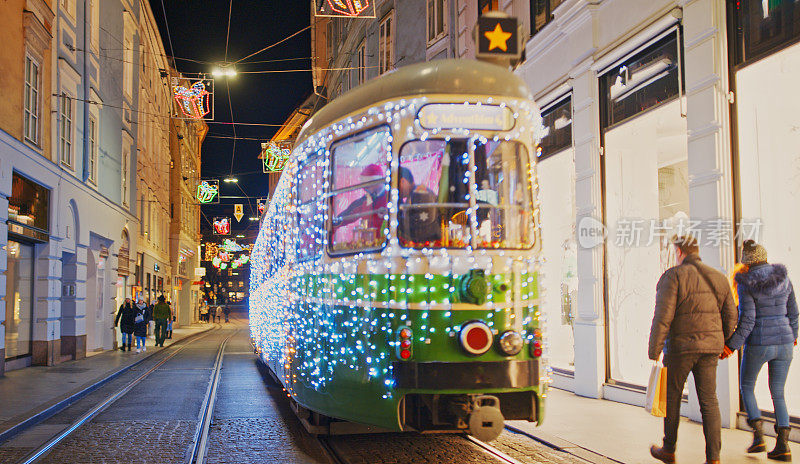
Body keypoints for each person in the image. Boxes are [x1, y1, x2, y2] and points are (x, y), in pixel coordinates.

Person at [648, 236, 738, 464]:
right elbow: (731, 315)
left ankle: (669, 450)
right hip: (709, 349)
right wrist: (723, 341)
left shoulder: (673, 276)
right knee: (709, 400)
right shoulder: (718, 277)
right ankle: (714, 458)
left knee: (673, 398)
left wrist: (654, 349)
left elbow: (663, 317)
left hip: (680, 348)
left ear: (679, 252)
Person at [721, 240, 798, 461]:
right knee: (778, 392)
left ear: (746, 262)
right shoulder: (784, 278)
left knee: (746, 386)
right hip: (784, 342)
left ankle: (758, 438)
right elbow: (794, 311)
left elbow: (748, 320)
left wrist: (730, 346)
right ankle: (783, 446)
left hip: (760, 343)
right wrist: (793, 335)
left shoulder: (746, 283)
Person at [332, 163, 388, 230]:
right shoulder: (365, 200)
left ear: (377, 182)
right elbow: (349, 212)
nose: (364, 189)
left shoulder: (390, 197)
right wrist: (334, 223)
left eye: (367, 186)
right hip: (370, 238)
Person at [396, 166, 440, 243]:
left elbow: (421, 222)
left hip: (428, 243)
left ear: (403, 181)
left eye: (397, 185)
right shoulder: (412, 195)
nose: (397, 190)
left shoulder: (420, 193)